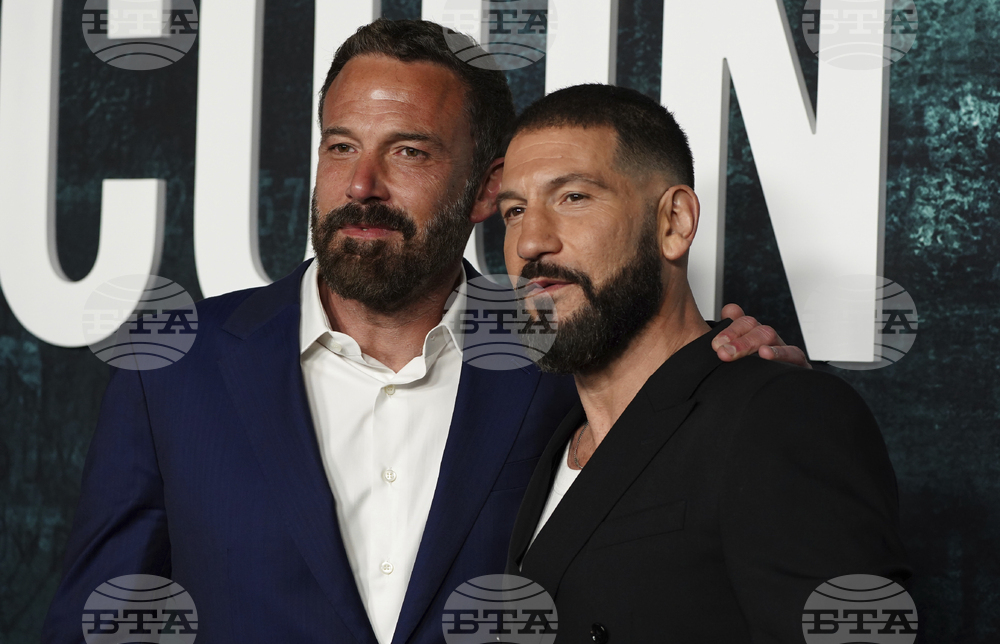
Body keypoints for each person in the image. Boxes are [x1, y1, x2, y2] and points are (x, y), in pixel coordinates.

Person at [43, 21, 805, 644]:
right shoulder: (175, 365)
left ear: (485, 188)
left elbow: (688, 421)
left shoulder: (564, 357)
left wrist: (738, 372)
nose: (361, 185)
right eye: (341, 146)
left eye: (408, 151)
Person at [502, 84, 911, 643]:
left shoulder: (784, 416)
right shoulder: (550, 437)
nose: (529, 242)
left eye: (573, 197)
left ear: (674, 222)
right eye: (514, 211)